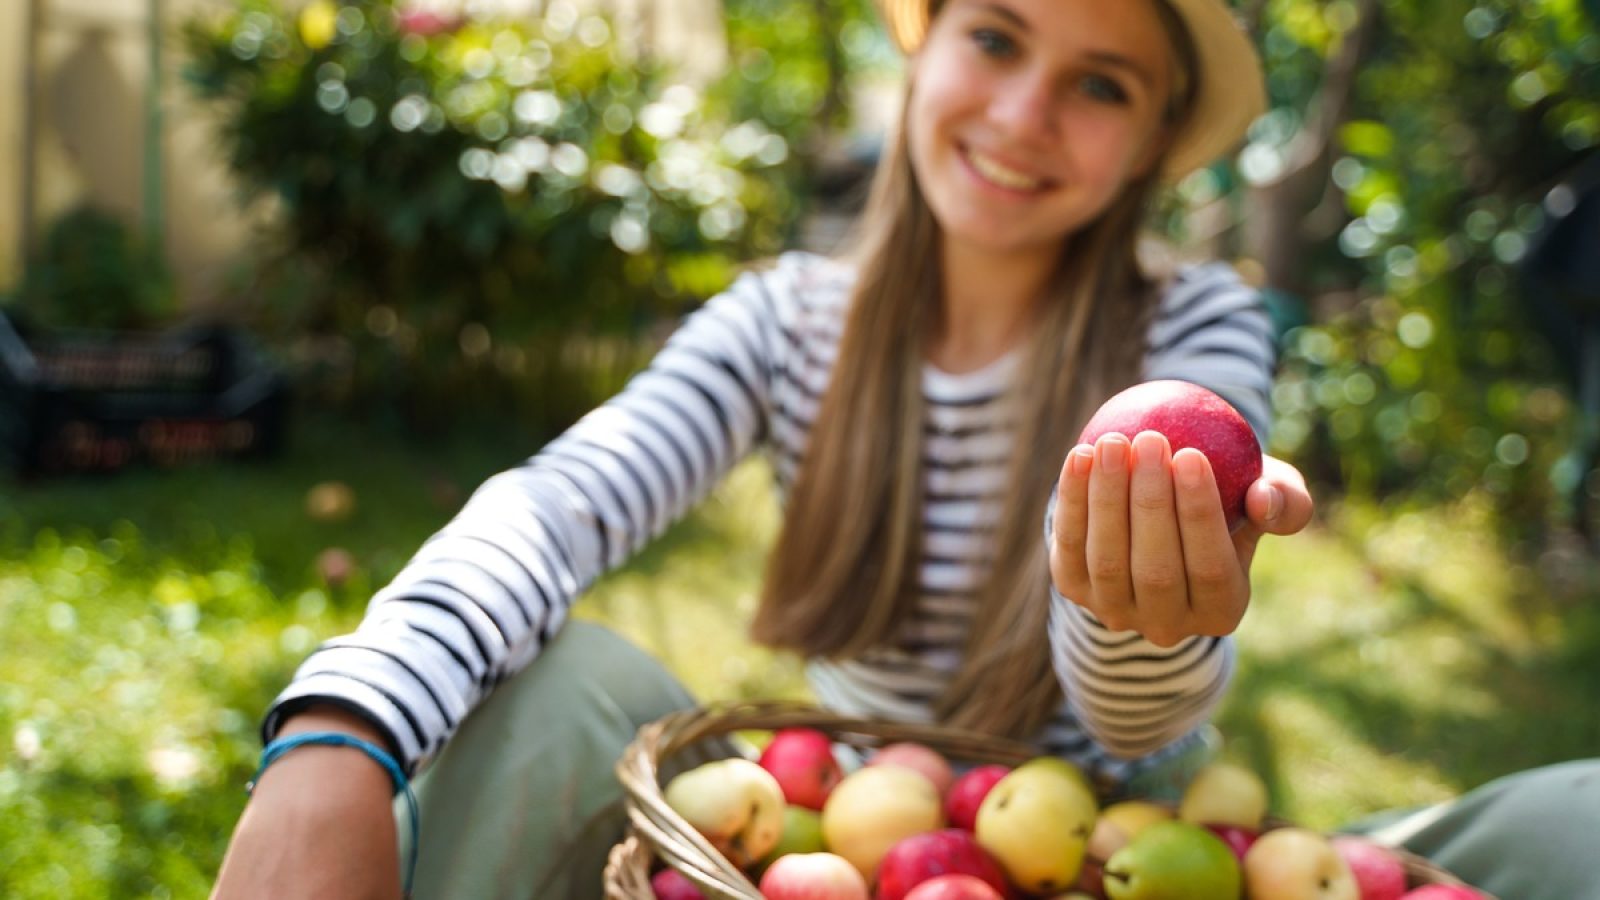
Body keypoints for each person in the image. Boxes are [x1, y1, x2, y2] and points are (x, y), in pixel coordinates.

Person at [210, 0, 1585, 897]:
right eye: (994, 37)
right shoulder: (785, 325)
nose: (1023, 113)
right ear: (918, 48)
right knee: (546, 673)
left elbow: (1132, 719)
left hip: (1139, 851)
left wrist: (1130, 611)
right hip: (854, 833)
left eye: (1098, 82)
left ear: (1156, 143)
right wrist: (343, 730)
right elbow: (561, 505)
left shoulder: (1195, 324)